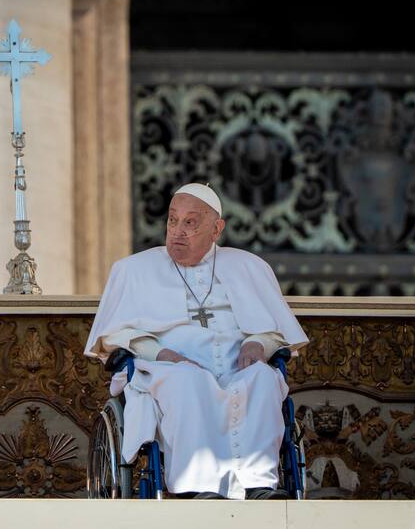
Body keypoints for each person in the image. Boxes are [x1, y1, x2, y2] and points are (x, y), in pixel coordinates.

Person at [84, 183, 309, 500]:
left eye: (190, 223)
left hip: (237, 370)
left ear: (217, 228)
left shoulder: (249, 267)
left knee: (263, 379)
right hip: (167, 370)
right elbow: (113, 337)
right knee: (189, 382)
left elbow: (277, 331)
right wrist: (162, 353)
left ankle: (259, 485)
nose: (177, 231)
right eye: (173, 220)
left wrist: (258, 343)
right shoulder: (133, 270)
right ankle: (198, 486)